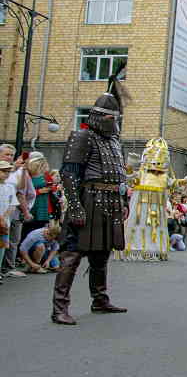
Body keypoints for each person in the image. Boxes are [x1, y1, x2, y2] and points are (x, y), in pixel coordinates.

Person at [52, 66, 130, 325]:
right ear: (98, 117)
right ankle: (59, 307)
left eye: (115, 118)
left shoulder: (114, 142)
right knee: (72, 255)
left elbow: (118, 176)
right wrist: (75, 206)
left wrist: (124, 200)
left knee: (101, 254)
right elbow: (70, 174)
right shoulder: (82, 136)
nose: (114, 122)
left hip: (110, 204)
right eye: (110, 118)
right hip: (88, 201)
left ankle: (99, 299)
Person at [0, 160, 16, 284]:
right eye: (3, 171)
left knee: (2, 246)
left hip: (5, 223)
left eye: (8, 171)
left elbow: (13, 204)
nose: (6, 174)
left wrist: (4, 217)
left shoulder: (10, 187)